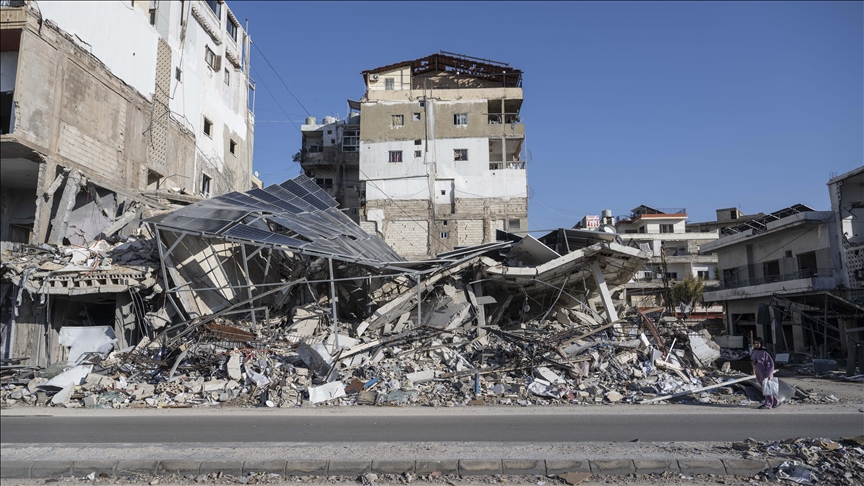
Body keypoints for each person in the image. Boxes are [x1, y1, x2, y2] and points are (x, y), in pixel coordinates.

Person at [751, 337, 779, 409]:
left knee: (767, 388)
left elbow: (770, 363)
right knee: (765, 388)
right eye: (755, 343)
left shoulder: (765, 352)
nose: (756, 345)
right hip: (758, 371)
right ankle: (775, 402)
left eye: (758, 343)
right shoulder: (754, 351)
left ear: (761, 343)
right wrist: (754, 362)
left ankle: (768, 404)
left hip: (765, 372)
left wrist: (769, 373)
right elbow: (753, 359)